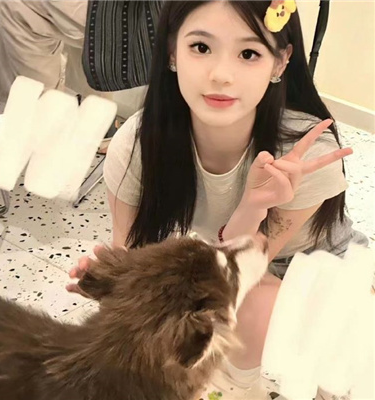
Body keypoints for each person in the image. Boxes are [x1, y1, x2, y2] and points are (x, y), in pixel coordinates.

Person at [68, 1, 368, 398]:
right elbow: (131, 254)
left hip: (318, 269)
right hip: (238, 264)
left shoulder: (302, 153)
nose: (221, 75)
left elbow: (246, 270)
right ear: (172, 52)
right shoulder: (138, 145)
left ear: (280, 62)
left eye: (249, 53)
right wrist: (108, 282)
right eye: (201, 47)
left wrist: (254, 206)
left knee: (262, 317)